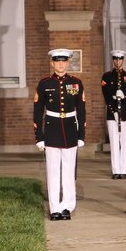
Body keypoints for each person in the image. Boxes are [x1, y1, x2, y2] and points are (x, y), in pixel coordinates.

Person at [34, 48, 86, 220]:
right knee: (53, 171)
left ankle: (67, 207)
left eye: (64, 61)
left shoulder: (77, 83)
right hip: (52, 130)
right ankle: (55, 208)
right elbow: (37, 111)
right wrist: (39, 136)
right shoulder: (44, 84)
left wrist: (81, 135)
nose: (61, 64)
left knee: (69, 171)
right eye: (57, 61)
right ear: (52, 63)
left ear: (68, 63)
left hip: (71, 129)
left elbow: (82, 110)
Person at [101, 49, 126, 179]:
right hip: (112, 113)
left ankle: (124, 169)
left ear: (123, 60)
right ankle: (116, 170)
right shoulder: (107, 76)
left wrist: (125, 96)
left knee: (125, 141)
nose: (118, 61)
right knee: (114, 142)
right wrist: (113, 111)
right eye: (115, 59)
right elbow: (106, 96)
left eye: (120, 59)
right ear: (113, 60)